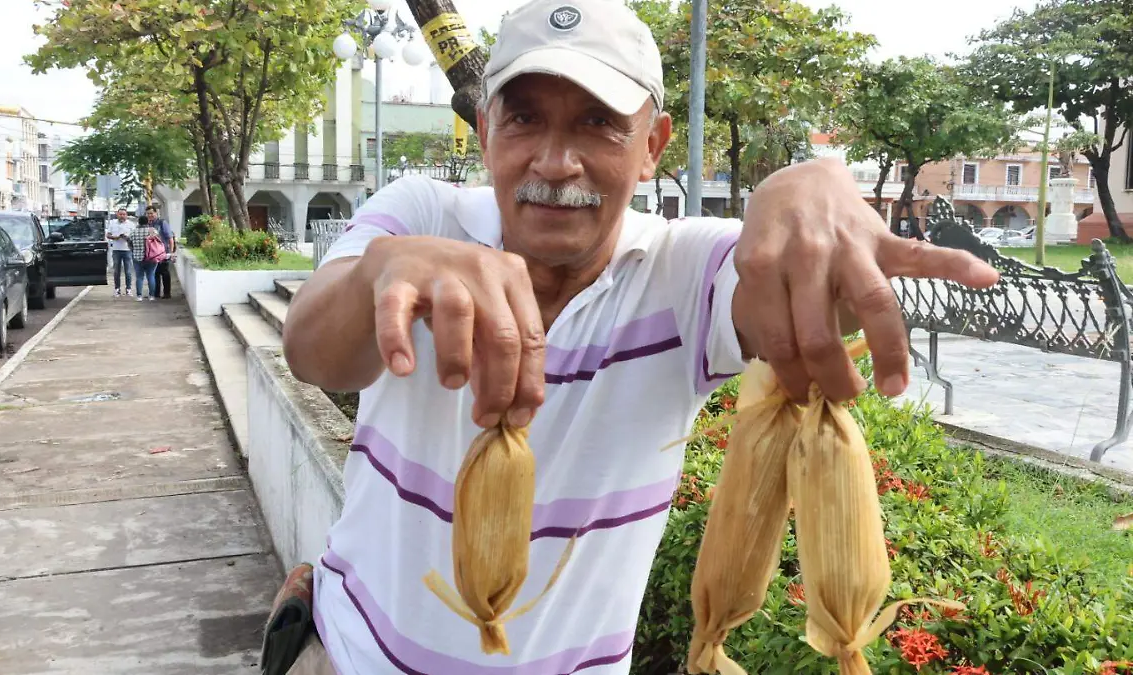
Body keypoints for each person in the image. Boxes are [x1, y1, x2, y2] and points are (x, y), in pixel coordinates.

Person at [278, 1, 1001, 673]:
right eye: (524, 119)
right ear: (487, 134)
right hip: (346, 655)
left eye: (598, 123)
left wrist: (810, 189)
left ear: (652, 145)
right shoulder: (417, 216)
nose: (555, 162)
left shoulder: (682, 273)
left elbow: (785, 286)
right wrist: (380, 272)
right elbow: (310, 351)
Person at [129, 215, 162, 302]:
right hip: (151, 257)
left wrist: (134, 250)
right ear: (148, 222)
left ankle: (139, 296)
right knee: (151, 276)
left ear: (138, 222)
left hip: (137, 257)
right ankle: (151, 296)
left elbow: (129, 243)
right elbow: (159, 241)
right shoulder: (152, 231)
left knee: (139, 277)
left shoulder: (133, 232)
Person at [146, 206, 176, 299]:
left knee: (164, 272)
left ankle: (167, 293)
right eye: (148, 214)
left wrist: (171, 252)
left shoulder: (162, 223)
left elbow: (170, 238)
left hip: (163, 252)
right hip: (152, 254)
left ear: (156, 213)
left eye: (151, 213)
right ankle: (156, 293)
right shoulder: (148, 224)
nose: (150, 215)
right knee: (155, 273)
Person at [106, 208, 134, 297]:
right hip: (116, 250)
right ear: (117, 215)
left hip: (127, 250)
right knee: (116, 271)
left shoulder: (131, 224)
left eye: (124, 214)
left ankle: (128, 289)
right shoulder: (113, 223)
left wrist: (127, 238)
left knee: (128, 271)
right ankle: (117, 289)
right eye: (120, 214)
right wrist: (115, 237)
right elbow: (108, 235)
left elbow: (134, 237)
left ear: (126, 215)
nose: (122, 216)